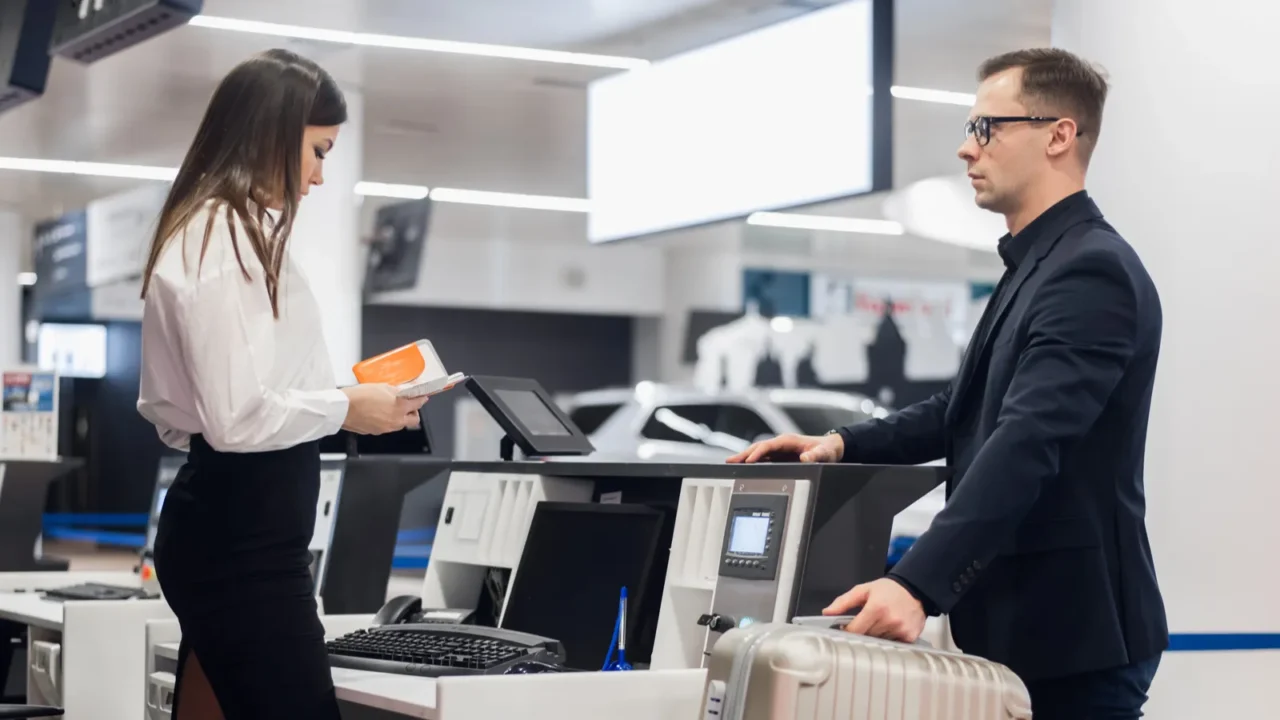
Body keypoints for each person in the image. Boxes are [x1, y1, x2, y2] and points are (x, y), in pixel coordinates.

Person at [729, 48, 1168, 718]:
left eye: (987, 128)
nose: (968, 149)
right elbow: (962, 410)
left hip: (1075, 634)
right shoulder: (1037, 265)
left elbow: (1027, 441)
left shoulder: (1090, 273)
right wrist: (841, 444)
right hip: (1027, 625)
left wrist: (917, 585)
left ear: (1058, 135)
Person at [136, 49, 427, 720]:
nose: (321, 176)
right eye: (319, 151)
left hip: (235, 530)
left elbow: (183, 414)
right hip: (244, 546)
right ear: (273, 131)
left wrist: (328, 402)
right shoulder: (221, 239)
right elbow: (237, 420)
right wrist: (345, 408)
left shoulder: (221, 230)